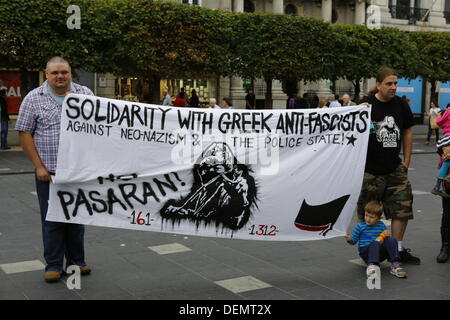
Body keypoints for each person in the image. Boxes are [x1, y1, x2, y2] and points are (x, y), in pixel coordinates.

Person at [15, 56, 92, 283]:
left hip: (78, 172)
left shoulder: (85, 95)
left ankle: (77, 261)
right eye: (55, 73)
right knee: (52, 220)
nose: (60, 77)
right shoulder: (33, 99)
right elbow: (24, 133)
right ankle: (54, 264)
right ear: (46, 74)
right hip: (48, 173)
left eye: (64, 72)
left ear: (71, 73)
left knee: (76, 218)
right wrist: (39, 166)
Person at [357, 67, 420, 265]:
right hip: (370, 171)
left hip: (395, 169)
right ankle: (369, 249)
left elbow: (408, 131)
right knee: (368, 212)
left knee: (401, 210)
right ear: (378, 84)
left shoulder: (401, 105)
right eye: (389, 83)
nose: (393, 87)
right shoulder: (365, 105)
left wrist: (406, 161)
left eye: (395, 83)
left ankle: (398, 249)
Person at [346, 201, 407, 279]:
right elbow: (353, 241)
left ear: (379, 218)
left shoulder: (381, 225)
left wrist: (387, 235)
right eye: (366, 215)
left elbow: (385, 239)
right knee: (375, 242)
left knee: (391, 240)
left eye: (372, 217)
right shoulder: (360, 226)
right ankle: (372, 266)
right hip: (366, 253)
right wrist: (349, 239)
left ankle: (395, 265)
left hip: (379, 253)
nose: (368, 219)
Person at [431, 103, 450, 197]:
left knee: (446, 161)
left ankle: (438, 187)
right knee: (447, 161)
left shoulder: (446, 114)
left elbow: (438, 122)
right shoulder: (449, 111)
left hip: (445, 140)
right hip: (448, 140)